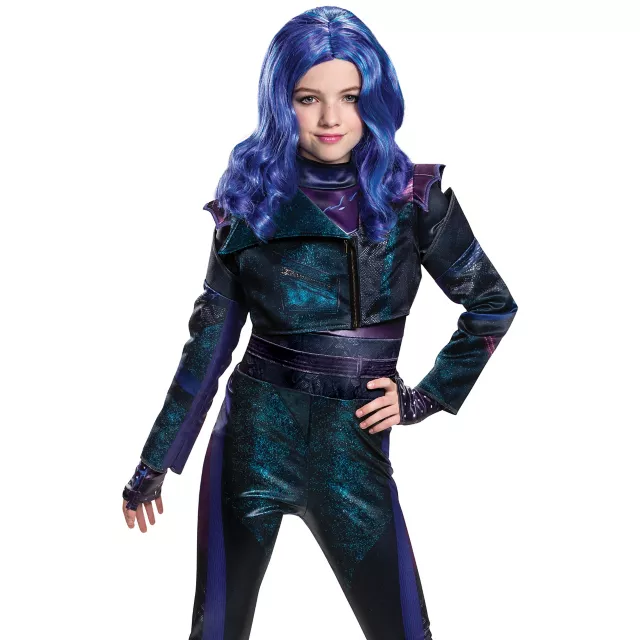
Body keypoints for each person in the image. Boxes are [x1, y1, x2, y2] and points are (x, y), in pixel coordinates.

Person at [121, 6, 518, 640]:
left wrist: (423, 398)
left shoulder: (413, 199)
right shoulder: (248, 205)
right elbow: (208, 345)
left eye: (350, 97)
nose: (331, 118)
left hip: (352, 449)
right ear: (282, 103)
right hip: (251, 440)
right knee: (215, 630)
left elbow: (491, 304)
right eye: (309, 98)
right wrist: (156, 459)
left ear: (375, 99)